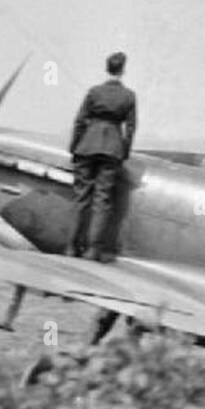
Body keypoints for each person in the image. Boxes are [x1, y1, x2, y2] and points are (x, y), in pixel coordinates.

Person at [66, 51, 137, 263]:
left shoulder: (94, 92)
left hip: (87, 145)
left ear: (107, 69)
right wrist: (123, 152)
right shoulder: (129, 96)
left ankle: (70, 247)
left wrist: (74, 147)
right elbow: (131, 128)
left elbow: (79, 121)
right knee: (102, 200)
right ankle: (92, 251)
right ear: (123, 70)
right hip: (112, 148)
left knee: (80, 198)